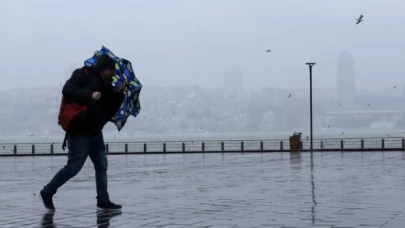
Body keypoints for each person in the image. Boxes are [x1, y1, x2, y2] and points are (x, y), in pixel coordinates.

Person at [39, 54, 125, 211]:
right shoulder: (83, 74)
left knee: (101, 166)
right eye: (111, 70)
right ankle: (47, 191)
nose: (113, 74)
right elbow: (67, 89)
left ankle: (103, 200)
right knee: (73, 168)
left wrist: (118, 94)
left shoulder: (107, 86)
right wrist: (89, 95)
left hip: (96, 133)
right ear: (104, 69)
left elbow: (109, 111)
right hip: (80, 133)